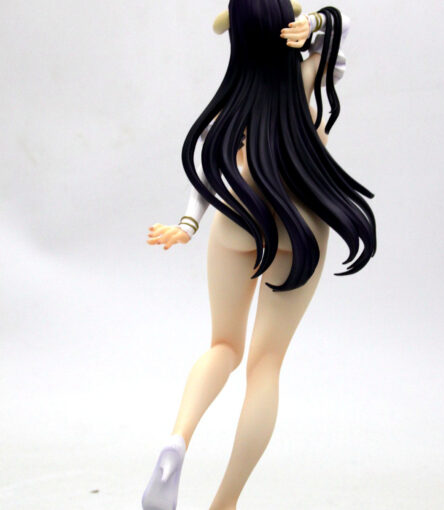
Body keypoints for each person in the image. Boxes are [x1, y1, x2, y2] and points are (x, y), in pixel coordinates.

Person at [143, 1, 376, 508]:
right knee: (265, 366)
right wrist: (315, 23)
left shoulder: (231, 105)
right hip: (300, 226)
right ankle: (224, 503)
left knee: (223, 346)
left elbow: (209, 172)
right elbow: (341, 31)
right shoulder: (307, 78)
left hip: (237, 218)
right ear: (285, 25)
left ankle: (177, 439)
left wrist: (187, 225)